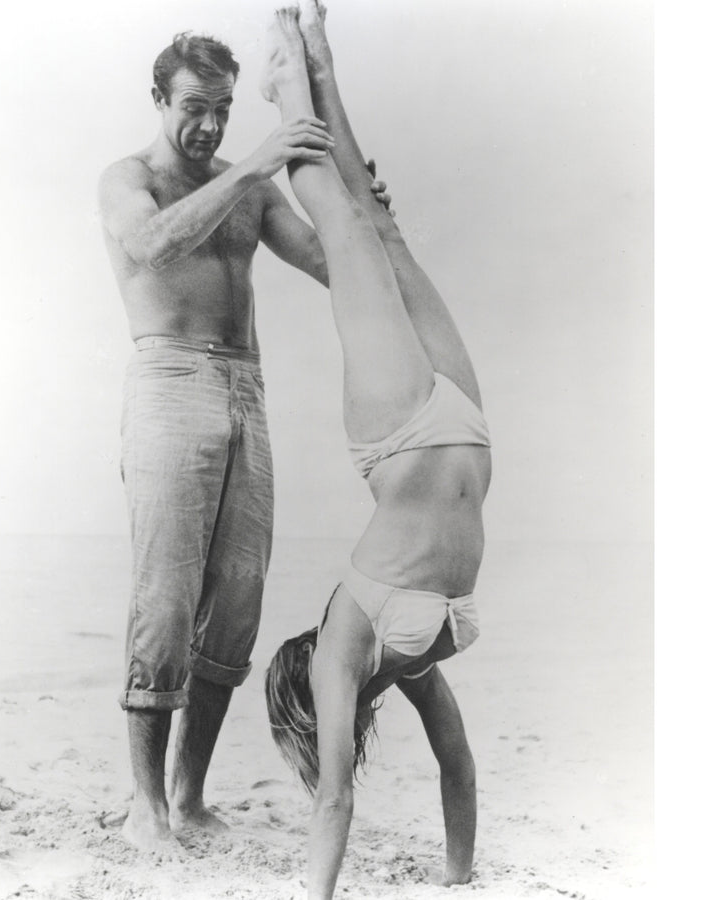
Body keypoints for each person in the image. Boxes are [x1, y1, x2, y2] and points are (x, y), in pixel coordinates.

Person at [97, 31, 391, 849]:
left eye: (224, 111)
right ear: (159, 99)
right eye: (196, 108)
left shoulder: (244, 183)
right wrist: (259, 161)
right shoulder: (130, 179)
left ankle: (190, 797)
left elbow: (330, 262)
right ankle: (145, 804)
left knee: (236, 602)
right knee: (164, 598)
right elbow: (150, 245)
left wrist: (363, 212)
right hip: (169, 382)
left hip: (245, 388)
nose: (211, 127)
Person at [262, 4, 491, 897]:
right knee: (384, 230)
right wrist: (458, 884)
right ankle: (321, 54)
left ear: (304, 687)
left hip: (398, 432)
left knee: (350, 229)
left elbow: (332, 805)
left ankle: (292, 80)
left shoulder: (338, 656)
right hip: (463, 425)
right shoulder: (406, 667)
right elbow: (459, 767)